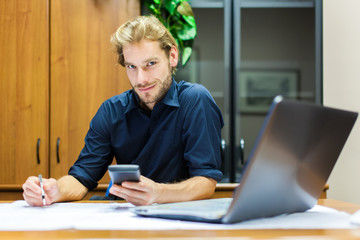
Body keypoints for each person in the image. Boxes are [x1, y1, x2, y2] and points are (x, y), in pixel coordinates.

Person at [22, 15, 224, 207]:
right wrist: (53, 190)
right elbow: (82, 176)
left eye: (150, 64)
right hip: (122, 215)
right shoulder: (111, 111)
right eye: (131, 66)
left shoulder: (195, 100)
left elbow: (206, 182)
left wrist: (158, 193)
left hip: (176, 219)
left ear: (172, 56)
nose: (141, 79)